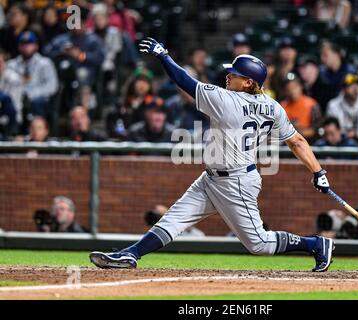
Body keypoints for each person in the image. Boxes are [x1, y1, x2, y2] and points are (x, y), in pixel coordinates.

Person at [89, 37, 335, 272]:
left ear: (249, 82)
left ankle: (315, 244)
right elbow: (297, 141)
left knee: (260, 244)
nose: (228, 76)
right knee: (173, 219)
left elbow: (184, 80)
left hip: (236, 182)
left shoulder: (227, 100)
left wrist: (163, 56)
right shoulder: (274, 107)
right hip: (212, 178)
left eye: (235, 75)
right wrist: (318, 172)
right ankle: (131, 254)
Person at [7, 31, 58, 119]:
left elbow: (52, 86)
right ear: (19, 47)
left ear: (36, 46)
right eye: (23, 44)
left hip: (38, 99)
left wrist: (30, 94)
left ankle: (38, 129)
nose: (26, 47)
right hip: (16, 98)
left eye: (29, 43)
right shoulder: (11, 64)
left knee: (38, 101)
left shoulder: (45, 63)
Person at [106, 68, 163, 140]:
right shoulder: (122, 103)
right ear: (133, 83)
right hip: (125, 142)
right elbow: (113, 123)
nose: (142, 85)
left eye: (146, 82)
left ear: (150, 86)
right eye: (139, 81)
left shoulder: (155, 104)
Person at [326, 74, 358, 139]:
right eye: (351, 86)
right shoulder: (333, 105)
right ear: (343, 89)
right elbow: (333, 130)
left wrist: (356, 133)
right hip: (340, 143)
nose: (355, 89)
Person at [0, 49, 23, 125]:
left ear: (5, 63)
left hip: (11, 117)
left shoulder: (14, 78)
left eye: (0, 62)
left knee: (5, 98)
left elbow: (14, 102)